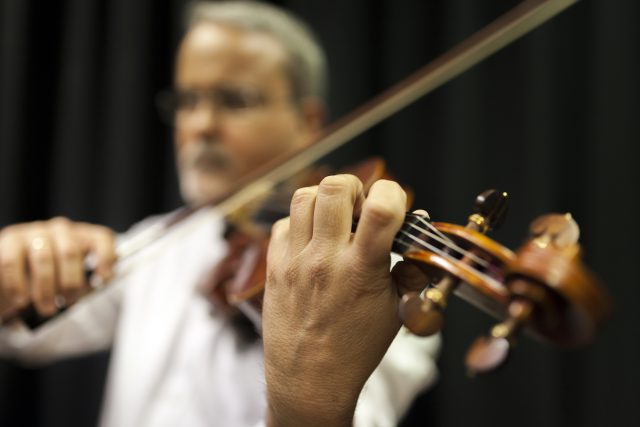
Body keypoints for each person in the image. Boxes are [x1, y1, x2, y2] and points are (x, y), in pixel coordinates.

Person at [0, 1, 440, 426]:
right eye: (189, 100)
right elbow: (28, 336)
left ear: (308, 123)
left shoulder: (377, 272)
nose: (201, 125)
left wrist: (308, 405)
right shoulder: (160, 241)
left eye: (234, 100)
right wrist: (16, 268)